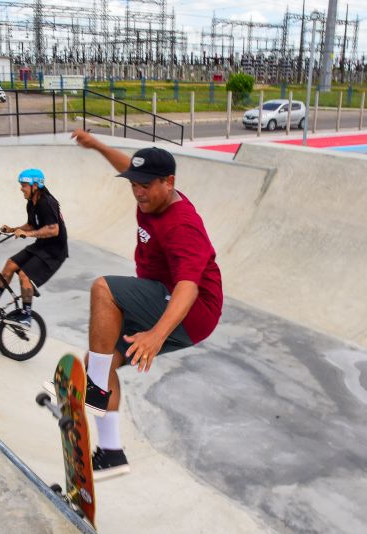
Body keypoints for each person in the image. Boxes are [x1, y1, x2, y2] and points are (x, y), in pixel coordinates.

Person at [65, 129, 223, 479]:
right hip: (164, 297)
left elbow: (188, 287)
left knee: (104, 289)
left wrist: (155, 334)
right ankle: (110, 452)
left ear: (169, 183)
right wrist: (98, 146)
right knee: (99, 360)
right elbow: (131, 168)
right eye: (133, 184)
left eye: (145, 186)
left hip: (191, 309)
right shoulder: (151, 193)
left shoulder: (182, 226)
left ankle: (95, 387)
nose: (138, 192)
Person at [0, 168, 68, 327]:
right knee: (10, 264)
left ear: (35, 186)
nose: (21, 188)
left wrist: (27, 234)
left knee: (25, 275)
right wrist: (12, 229)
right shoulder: (32, 203)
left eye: (24, 185)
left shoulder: (47, 202)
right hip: (41, 245)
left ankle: (26, 316)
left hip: (54, 252)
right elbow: (32, 225)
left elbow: (54, 229)